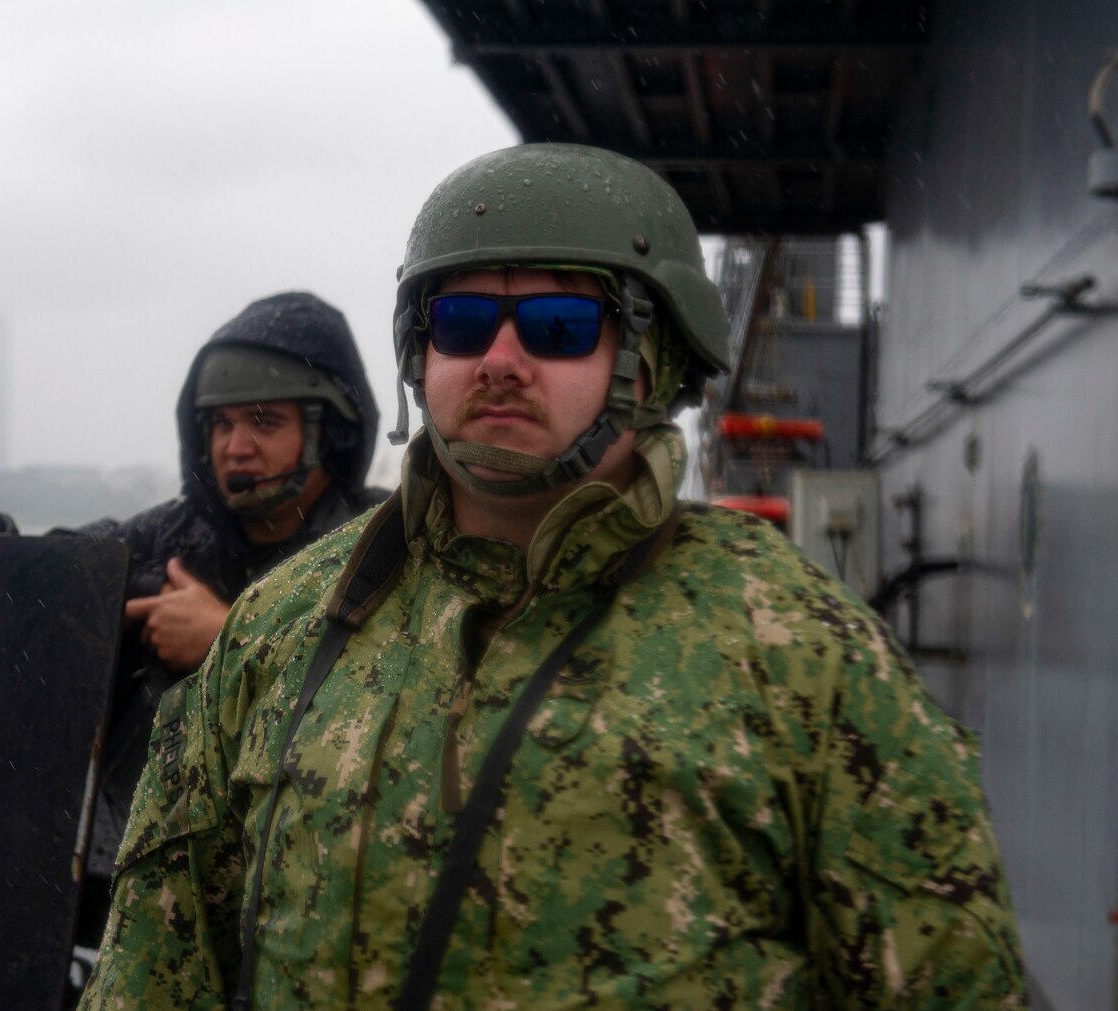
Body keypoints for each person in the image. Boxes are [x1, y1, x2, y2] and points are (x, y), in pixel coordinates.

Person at [79, 145, 1026, 1009]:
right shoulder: (279, 628)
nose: (499, 360)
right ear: (421, 354)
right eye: (460, 322)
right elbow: (155, 967)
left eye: (559, 325)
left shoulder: (805, 656)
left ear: (650, 360)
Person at [68, 290, 386, 944]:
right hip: (145, 908)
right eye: (220, 424)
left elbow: (407, 698)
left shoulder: (391, 548)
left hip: (317, 904)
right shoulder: (163, 541)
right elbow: (39, 578)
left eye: (264, 421)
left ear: (329, 430)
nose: (235, 446)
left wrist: (230, 641)